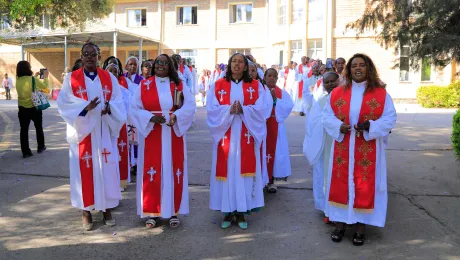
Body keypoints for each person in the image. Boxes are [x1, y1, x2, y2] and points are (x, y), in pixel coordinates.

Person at [322, 53, 397, 246]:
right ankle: (340, 225)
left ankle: (360, 228)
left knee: (363, 186)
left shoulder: (380, 93)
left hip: (367, 146)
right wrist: (339, 126)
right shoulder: (338, 92)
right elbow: (326, 115)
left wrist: (371, 126)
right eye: (354, 65)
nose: (357, 68)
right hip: (344, 147)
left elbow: (389, 119)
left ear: (368, 68)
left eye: (362, 65)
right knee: (342, 184)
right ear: (349, 69)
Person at [57, 42, 127, 231]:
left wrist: (109, 108)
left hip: (103, 131)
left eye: (93, 54)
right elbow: (63, 102)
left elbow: (119, 101)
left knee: (106, 169)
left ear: (99, 56)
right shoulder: (72, 79)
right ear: (81, 57)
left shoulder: (109, 78)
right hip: (83, 133)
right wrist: (83, 108)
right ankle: (86, 211)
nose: (89, 57)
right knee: (83, 172)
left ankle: (106, 209)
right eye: (85, 54)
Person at [129, 54, 196, 228]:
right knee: (152, 172)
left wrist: (176, 115)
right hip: (152, 134)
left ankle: (173, 212)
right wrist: (149, 118)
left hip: (173, 132)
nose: (161, 65)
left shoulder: (179, 84)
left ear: (170, 66)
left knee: (173, 171)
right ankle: (153, 212)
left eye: (165, 63)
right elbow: (134, 108)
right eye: (158, 62)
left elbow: (190, 105)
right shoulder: (145, 85)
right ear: (153, 66)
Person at [207, 53, 269, 230]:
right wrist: (228, 110)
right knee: (227, 173)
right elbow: (211, 109)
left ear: (246, 66)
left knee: (243, 174)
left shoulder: (256, 86)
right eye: (234, 61)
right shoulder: (218, 85)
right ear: (229, 65)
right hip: (225, 137)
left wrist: (244, 110)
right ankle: (227, 211)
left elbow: (264, 108)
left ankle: (241, 211)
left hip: (246, 136)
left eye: (240, 62)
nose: (236, 65)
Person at [303, 71, 340, 222]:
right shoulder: (321, 101)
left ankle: (342, 209)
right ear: (323, 85)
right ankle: (327, 209)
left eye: (333, 81)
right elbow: (313, 122)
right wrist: (328, 122)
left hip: (341, 143)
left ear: (340, 81)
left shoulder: (346, 99)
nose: (330, 84)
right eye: (327, 82)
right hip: (325, 144)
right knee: (325, 175)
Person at [103, 57, 131, 190]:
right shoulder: (101, 88)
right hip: (105, 127)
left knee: (118, 153)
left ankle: (120, 181)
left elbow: (126, 107)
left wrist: (112, 107)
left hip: (119, 126)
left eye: (115, 71)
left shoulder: (124, 91)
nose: (112, 74)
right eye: (110, 71)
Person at [263, 68, 293, 192]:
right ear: (264, 77)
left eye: (274, 76)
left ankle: (271, 181)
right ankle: (260, 181)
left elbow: (288, 106)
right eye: (269, 75)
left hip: (276, 126)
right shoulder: (259, 91)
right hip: (261, 128)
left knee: (274, 154)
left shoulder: (282, 93)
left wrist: (276, 101)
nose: (272, 78)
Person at [15, 61, 49, 158]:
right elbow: (44, 87)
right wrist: (45, 77)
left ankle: (25, 152)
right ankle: (41, 147)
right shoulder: (32, 79)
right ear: (28, 68)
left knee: (24, 130)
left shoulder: (17, 79)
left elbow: (27, 83)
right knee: (38, 128)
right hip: (34, 108)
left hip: (22, 108)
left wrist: (36, 75)